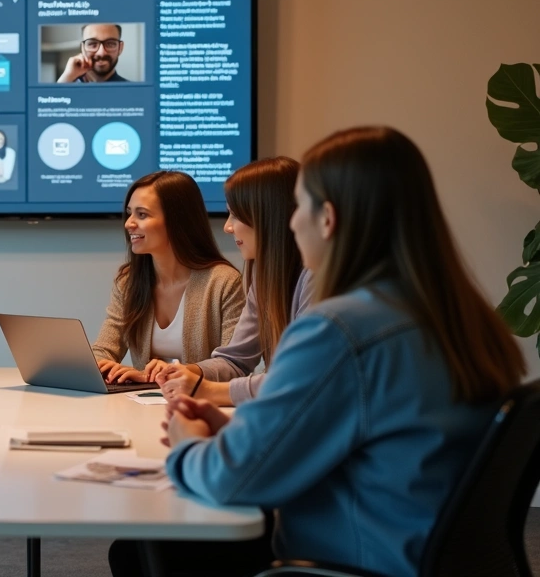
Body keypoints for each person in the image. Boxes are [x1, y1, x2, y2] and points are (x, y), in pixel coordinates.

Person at [150, 126, 529, 577]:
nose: (290, 223)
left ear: (327, 218)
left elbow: (232, 479)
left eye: (300, 207)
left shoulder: (341, 329)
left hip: (349, 562)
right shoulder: (462, 315)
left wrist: (186, 442)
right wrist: (243, 432)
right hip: (420, 553)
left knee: (160, 547)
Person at [153, 157, 313, 406]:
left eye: (236, 216)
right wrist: (190, 373)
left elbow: (299, 377)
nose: (228, 227)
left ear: (269, 218)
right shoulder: (264, 276)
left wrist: (206, 391)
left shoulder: (316, 278)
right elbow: (235, 360)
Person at [93, 171, 244, 384]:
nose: (129, 223)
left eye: (142, 214)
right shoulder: (128, 282)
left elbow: (233, 366)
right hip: (143, 406)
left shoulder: (224, 282)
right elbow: (104, 349)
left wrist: (174, 372)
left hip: (202, 408)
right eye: (129, 213)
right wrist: (103, 366)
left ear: (177, 220)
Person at [57, 23, 128, 83]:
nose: (101, 53)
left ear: (120, 48)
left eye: (110, 44)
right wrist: (66, 78)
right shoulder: (66, 83)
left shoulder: (133, 92)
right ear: (83, 48)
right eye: (92, 44)